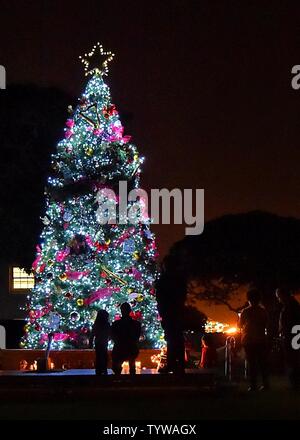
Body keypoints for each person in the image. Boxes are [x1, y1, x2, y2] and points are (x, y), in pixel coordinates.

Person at [239, 289, 269, 391]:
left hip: (249, 340)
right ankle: (265, 384)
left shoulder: (245, 311)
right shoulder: (263, 311)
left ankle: (253, 385)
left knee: (252, 364)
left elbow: (240, 324)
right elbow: (266, 324)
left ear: (249, 299)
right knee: (262, 363)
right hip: (261, 339)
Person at [276, 287, 300, 390]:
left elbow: (289, 323)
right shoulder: (293, 305)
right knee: (293, 359)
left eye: (279, 297)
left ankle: (295, 383)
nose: (278, 299)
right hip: (293, 336)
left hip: (293, 337)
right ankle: (295, 382)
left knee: (293, 359)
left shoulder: (290, 307)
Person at [111, 303, 141, 375]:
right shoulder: (136, 324)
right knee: (131, 363)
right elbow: (137, 337)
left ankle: (117, 376)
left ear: (121, 311)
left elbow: (113, 336)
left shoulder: (116, 324)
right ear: (130, 310)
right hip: (131, 349)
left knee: (117, 365)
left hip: (120, 349)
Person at [89, 310, 111, 375]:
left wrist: (91, 343)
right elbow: (110, 333)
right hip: (103, 343)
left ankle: (99, 370)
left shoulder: (96, 325)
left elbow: (92, 335)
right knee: (104, 356)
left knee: (99, 357)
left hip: (98, 343)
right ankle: (103, 369)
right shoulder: (107, 324)